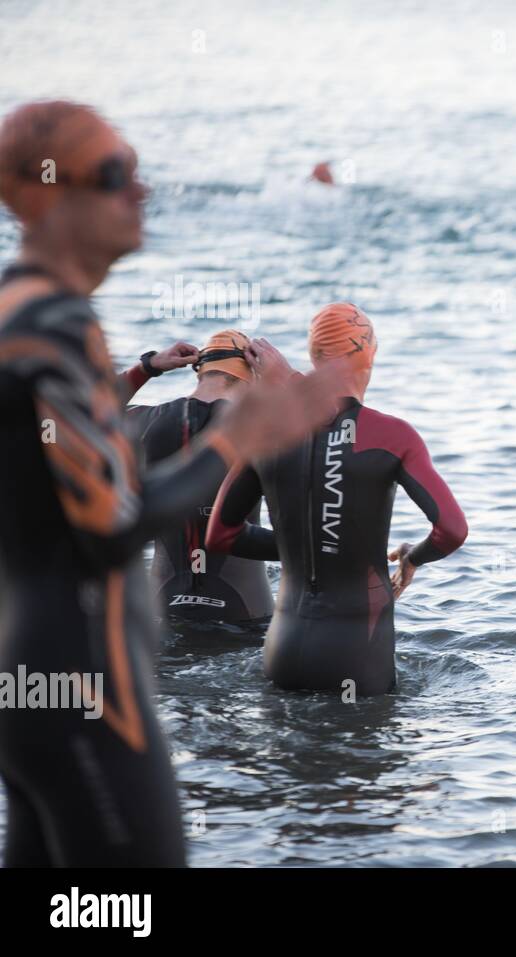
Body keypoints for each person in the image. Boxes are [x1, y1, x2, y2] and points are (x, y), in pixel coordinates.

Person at [0, 100, 343, 865]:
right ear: (47, 193)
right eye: (115, 174)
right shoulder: (49, 325)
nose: (142, 191)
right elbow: (111, 525)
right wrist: (241, 436)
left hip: (33, 678)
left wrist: (147, 372)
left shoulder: (30, 314)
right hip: (85, 684)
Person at [205, 302, 468, 697]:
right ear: (371, 353)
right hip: (356, 656)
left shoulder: (268, 431)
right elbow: (451, 530)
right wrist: (413, 557)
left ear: (314, 357)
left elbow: (220, 536)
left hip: (283, 649)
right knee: (358, 752)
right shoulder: (392, 436)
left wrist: (302, 545)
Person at [126, 330, 292, 623]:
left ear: (199, 374)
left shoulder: (143, 420)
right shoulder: (265, 429)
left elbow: (78, 412)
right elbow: (339, 431)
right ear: (252, 378)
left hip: (161, 606)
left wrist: (147, 367)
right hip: (245, 608)